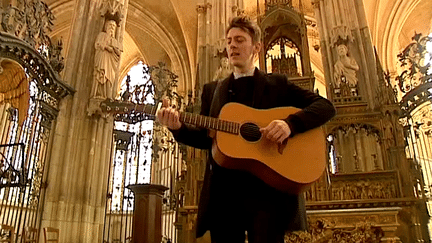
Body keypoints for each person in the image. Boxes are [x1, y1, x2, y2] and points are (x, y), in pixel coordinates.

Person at [157, 16, 336, 243]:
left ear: (256, 47)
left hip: (268, 196)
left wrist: (290, 124)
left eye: (240, 40)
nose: (232, 45)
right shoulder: (213, 91)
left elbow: (326, 107)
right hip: (224, 196)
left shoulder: (278, 85)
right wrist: (178, 128)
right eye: (229, 40)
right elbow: (206, 139)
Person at [92, 19, 122, 99]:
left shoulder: (115, 41)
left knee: (109, 78)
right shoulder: (102, 35)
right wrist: (107, 47)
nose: (112, 27)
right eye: (110, 25)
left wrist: (114, 49)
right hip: (102, 57)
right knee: (100, 73)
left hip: (111, 63)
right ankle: (95, 94)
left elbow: (118, 53)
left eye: (113, 26)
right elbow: (97, 44)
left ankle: (107, 96)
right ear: (106, 27)